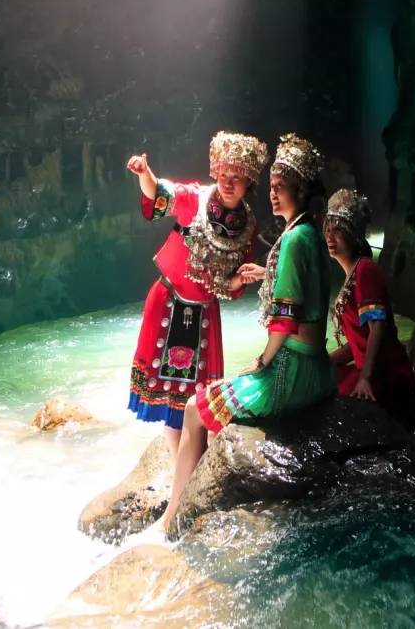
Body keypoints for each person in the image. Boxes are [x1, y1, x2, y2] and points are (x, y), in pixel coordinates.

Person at [161, 133, 336, 536]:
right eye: (271, 186)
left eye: (281, 186)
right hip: (317, 367)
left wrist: (263, 362)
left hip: (292, 372)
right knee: (215, 402)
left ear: (300, 190)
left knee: (194, 409)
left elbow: (285, 318)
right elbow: (300, 288)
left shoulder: (294, 240)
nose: (273, 194)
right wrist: (266, 271)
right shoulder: (310, 232)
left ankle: (173, 516)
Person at [125, 130, 268, 471]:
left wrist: (240, 279)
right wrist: (145, 173)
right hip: (169, 301)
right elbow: (161, 193)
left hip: (204, 312)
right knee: (171, 391)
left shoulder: (248, 226)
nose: (228, 183)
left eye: (236, 177)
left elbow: (226, 285)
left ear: (248, 182)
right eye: (223, 174)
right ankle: (180, 467)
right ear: (215, 171)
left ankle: (191, 462)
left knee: (196, 393)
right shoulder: (195, 199)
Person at [325, 188, 415, 431]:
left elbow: (377, 327)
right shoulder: (353, 274)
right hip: (368, 369)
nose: (330, 236)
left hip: (384, 374)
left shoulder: (365, 270)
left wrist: (365, 379)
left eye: (338, 230)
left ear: (353, 234)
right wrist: (326, 360)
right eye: (328, 229)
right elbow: (359, 341)